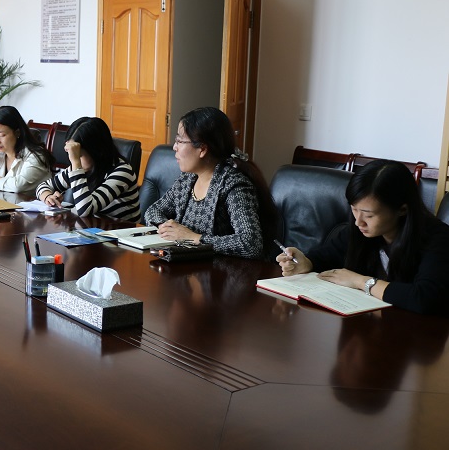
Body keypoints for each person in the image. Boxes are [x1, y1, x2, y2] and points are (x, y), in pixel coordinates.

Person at [277, 159, 449, 315]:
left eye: (369, 215)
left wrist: (361, 282)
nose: (358, 221)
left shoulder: (438, 238)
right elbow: (328, 255)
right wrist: (306, 263)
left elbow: (424, 298)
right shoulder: (359, 230)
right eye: (354, 209)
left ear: (402, 210)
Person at [143, 106, 275, 259]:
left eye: (180, 141)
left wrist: (195, 238)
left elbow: (251, 244)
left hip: (222, 270)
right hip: (188, 264)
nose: (174, 147)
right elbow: (153, 211)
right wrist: (166, 228)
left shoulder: (234, 185)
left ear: (202, 149)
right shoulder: (188, 179)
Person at [36, 116, 140, 221]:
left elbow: (85, 210)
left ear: (97, 151)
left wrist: (76, 163)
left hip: (122, 229)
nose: (73, 160)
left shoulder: (123, 172)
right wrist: (48, 197)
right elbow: (43, 186)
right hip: (93, 228)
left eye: (78, 155)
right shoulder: (83, 167)